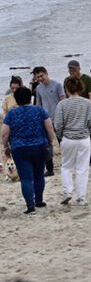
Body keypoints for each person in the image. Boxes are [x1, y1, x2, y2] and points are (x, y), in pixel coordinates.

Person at [2, 86, 55, 214]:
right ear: (30, 97)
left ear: (16, 99)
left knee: (26, 178)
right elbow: (49, 127)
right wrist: (50, 141)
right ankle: (39, 200)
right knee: (39, 174)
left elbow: (4, 134)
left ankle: (30, 206)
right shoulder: (40, 110)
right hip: (39, 146)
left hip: (19, 148)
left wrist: (6, 147)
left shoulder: (11, 114)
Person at [53, 76, 91, 206]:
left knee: (66, 167)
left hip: (68, 138)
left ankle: (68, 192)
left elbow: (58, 123)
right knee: (82, 168)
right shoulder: (87, 103)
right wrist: (89, 131)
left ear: (66, 89)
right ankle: (81, 196)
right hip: (84, 138)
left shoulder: (62, 104)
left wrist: (61, 136)